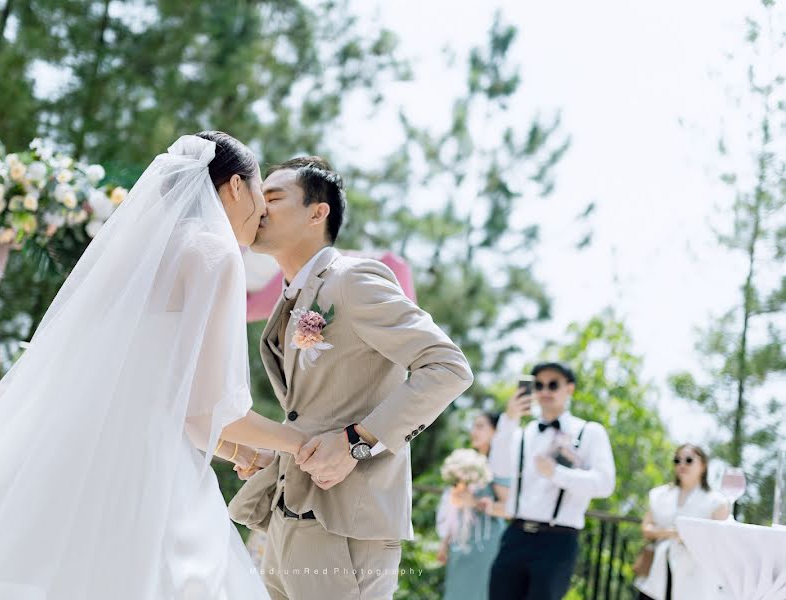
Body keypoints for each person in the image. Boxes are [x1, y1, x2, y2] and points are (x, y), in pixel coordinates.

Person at [0, 131, 317, 598]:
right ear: (235, 187)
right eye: (259, 192)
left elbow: (150, 388)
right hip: (143, 471)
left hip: (73, 448)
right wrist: (297, 442)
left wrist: (233, 448)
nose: (262, 212)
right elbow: (205, 411)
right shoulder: (214, 255)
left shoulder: (136, 260)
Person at [228, 156, 474, 599]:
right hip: (289, 520)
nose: (260, 207)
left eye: (275, 197)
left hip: (345, 526)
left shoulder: (352, 279)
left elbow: (448, 367)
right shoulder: (294, 297)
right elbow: (317, 407)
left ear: (317, 213)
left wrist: (356, 440)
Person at [489, 361, 616, 600]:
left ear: (570, 388)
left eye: (553, 384)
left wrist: (557, 473)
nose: (545, 391)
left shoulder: (589, 432)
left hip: (557, 541)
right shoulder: (522, 433)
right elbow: (498, 468)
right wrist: (510, 419)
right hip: (515, 535)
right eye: (538, 385)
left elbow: (605, 484)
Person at [634, 444, 730, 600]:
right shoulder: (660, 494)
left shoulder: (717, 501)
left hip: (696, 577)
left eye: (689, 460)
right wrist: (673, 533)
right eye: (677, 460)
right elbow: (646, 528)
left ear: (703, 465)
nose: (682, 465)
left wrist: (686, 535)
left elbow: (718, 540)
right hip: (657, 573)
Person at [437, 411, 510, 600]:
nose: (473, 431)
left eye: (480, 426)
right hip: (459, 544)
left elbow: (510, 510)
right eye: (473, 426)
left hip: (486, 545)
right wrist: (444, 543)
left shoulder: (500, 467)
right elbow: (454, 508)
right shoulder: (468, 463)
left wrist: (475, 503)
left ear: (495, 431)